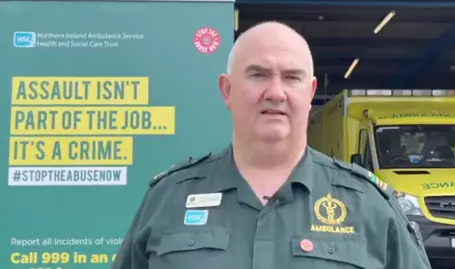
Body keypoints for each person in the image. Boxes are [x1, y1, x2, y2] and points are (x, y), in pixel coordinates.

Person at [111, 21, 432, 269]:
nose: (276, 92)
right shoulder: (167, 200)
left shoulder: (370, 207)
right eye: (258, 75)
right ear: (227, 90)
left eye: (291, 77)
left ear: (310, 92)